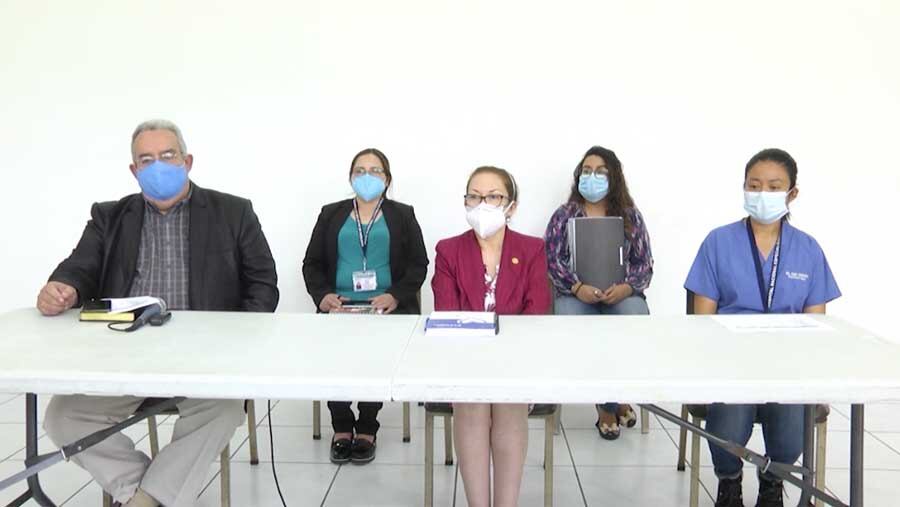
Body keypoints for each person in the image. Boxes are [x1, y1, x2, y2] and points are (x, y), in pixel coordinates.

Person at [36, 119, 279, 507]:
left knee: (223, 409)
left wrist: (237, 340)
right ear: (134, 170)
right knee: (63, 417)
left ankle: (145, 500)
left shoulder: (233, 212)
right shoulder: (109, 216)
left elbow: (263, 284)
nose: (158, 166)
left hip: (206, 358)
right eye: (146, 160)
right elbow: (80, 266)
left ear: (187, 161)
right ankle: (147, 493)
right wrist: (63, 286)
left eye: (168, 155)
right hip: (123, 356)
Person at [685, 148, 841, 507]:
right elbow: (702, 324)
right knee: (729, 421)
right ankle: (729, 481)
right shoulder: (718, 242)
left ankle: (773, 481)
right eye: (754, 186)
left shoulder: (808, 250)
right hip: (731, 362)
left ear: (792, 194)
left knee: (790, 429)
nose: (762, 194)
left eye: (773, 187)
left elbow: (816, 325)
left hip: (788, 365)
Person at [432, 166, 551, 507]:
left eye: (493, 196)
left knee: (509, 402)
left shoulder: (531, 249)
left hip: (516, 359)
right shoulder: (449, 251)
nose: (482, 204)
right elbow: (448, 315)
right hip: (464, 359)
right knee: (472, 402)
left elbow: (536, 313)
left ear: (511, 206)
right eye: (474, 196)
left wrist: (506, 358)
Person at [302, 148, 428, 464]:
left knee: (376, 361)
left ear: (387, 179)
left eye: (375, 171)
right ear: (350, 177)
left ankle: (368, 427)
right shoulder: (331, 213)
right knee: (334, 362)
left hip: (386, 307)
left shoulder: (403, 214)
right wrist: (322, 296)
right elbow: (311, 263)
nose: (367, 177)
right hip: (339, 306)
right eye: (360, 170)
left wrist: (395, 295)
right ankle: (342, 426)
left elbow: (419, 264)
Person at [544, 145, 653, 440]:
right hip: (576, 294)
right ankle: (609, 405)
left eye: (601, 172)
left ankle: (612, 400)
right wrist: (577, 287)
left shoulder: (630, 216)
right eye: (587, 171)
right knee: (573, 322)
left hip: (621, 294)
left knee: (634, 318)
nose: (592, 177)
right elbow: (552, 260)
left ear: (613, 177)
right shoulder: (564, 215)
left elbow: (644, 263)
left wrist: (626, 287)